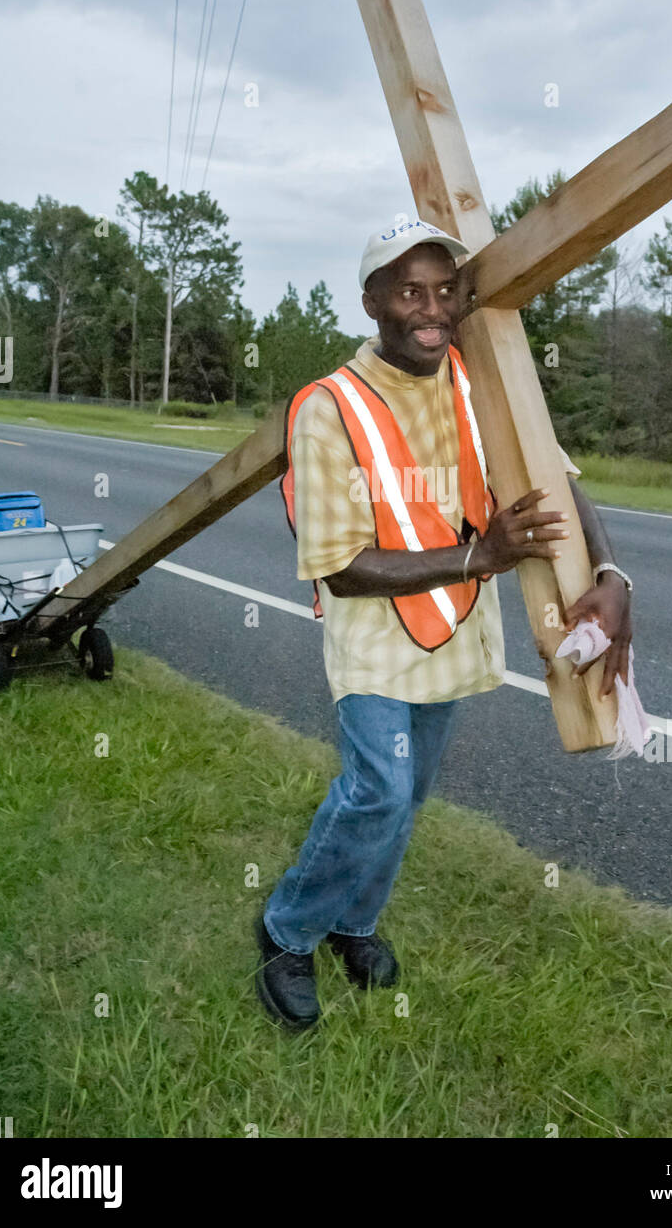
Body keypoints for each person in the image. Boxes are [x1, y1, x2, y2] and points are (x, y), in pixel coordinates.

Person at [255, 218, 633, 1030]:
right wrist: (481, 556)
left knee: (409, 796)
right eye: (409, 291)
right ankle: (288, 930)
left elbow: (552, 475)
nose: (433, 309)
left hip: (454, 632)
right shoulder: (328, 408)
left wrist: (611, 574)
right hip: (373, 638)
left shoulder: (475, 377)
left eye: (445, 290)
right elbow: (339, 565)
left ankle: (354, 922)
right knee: (376, 791)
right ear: (372, 303)